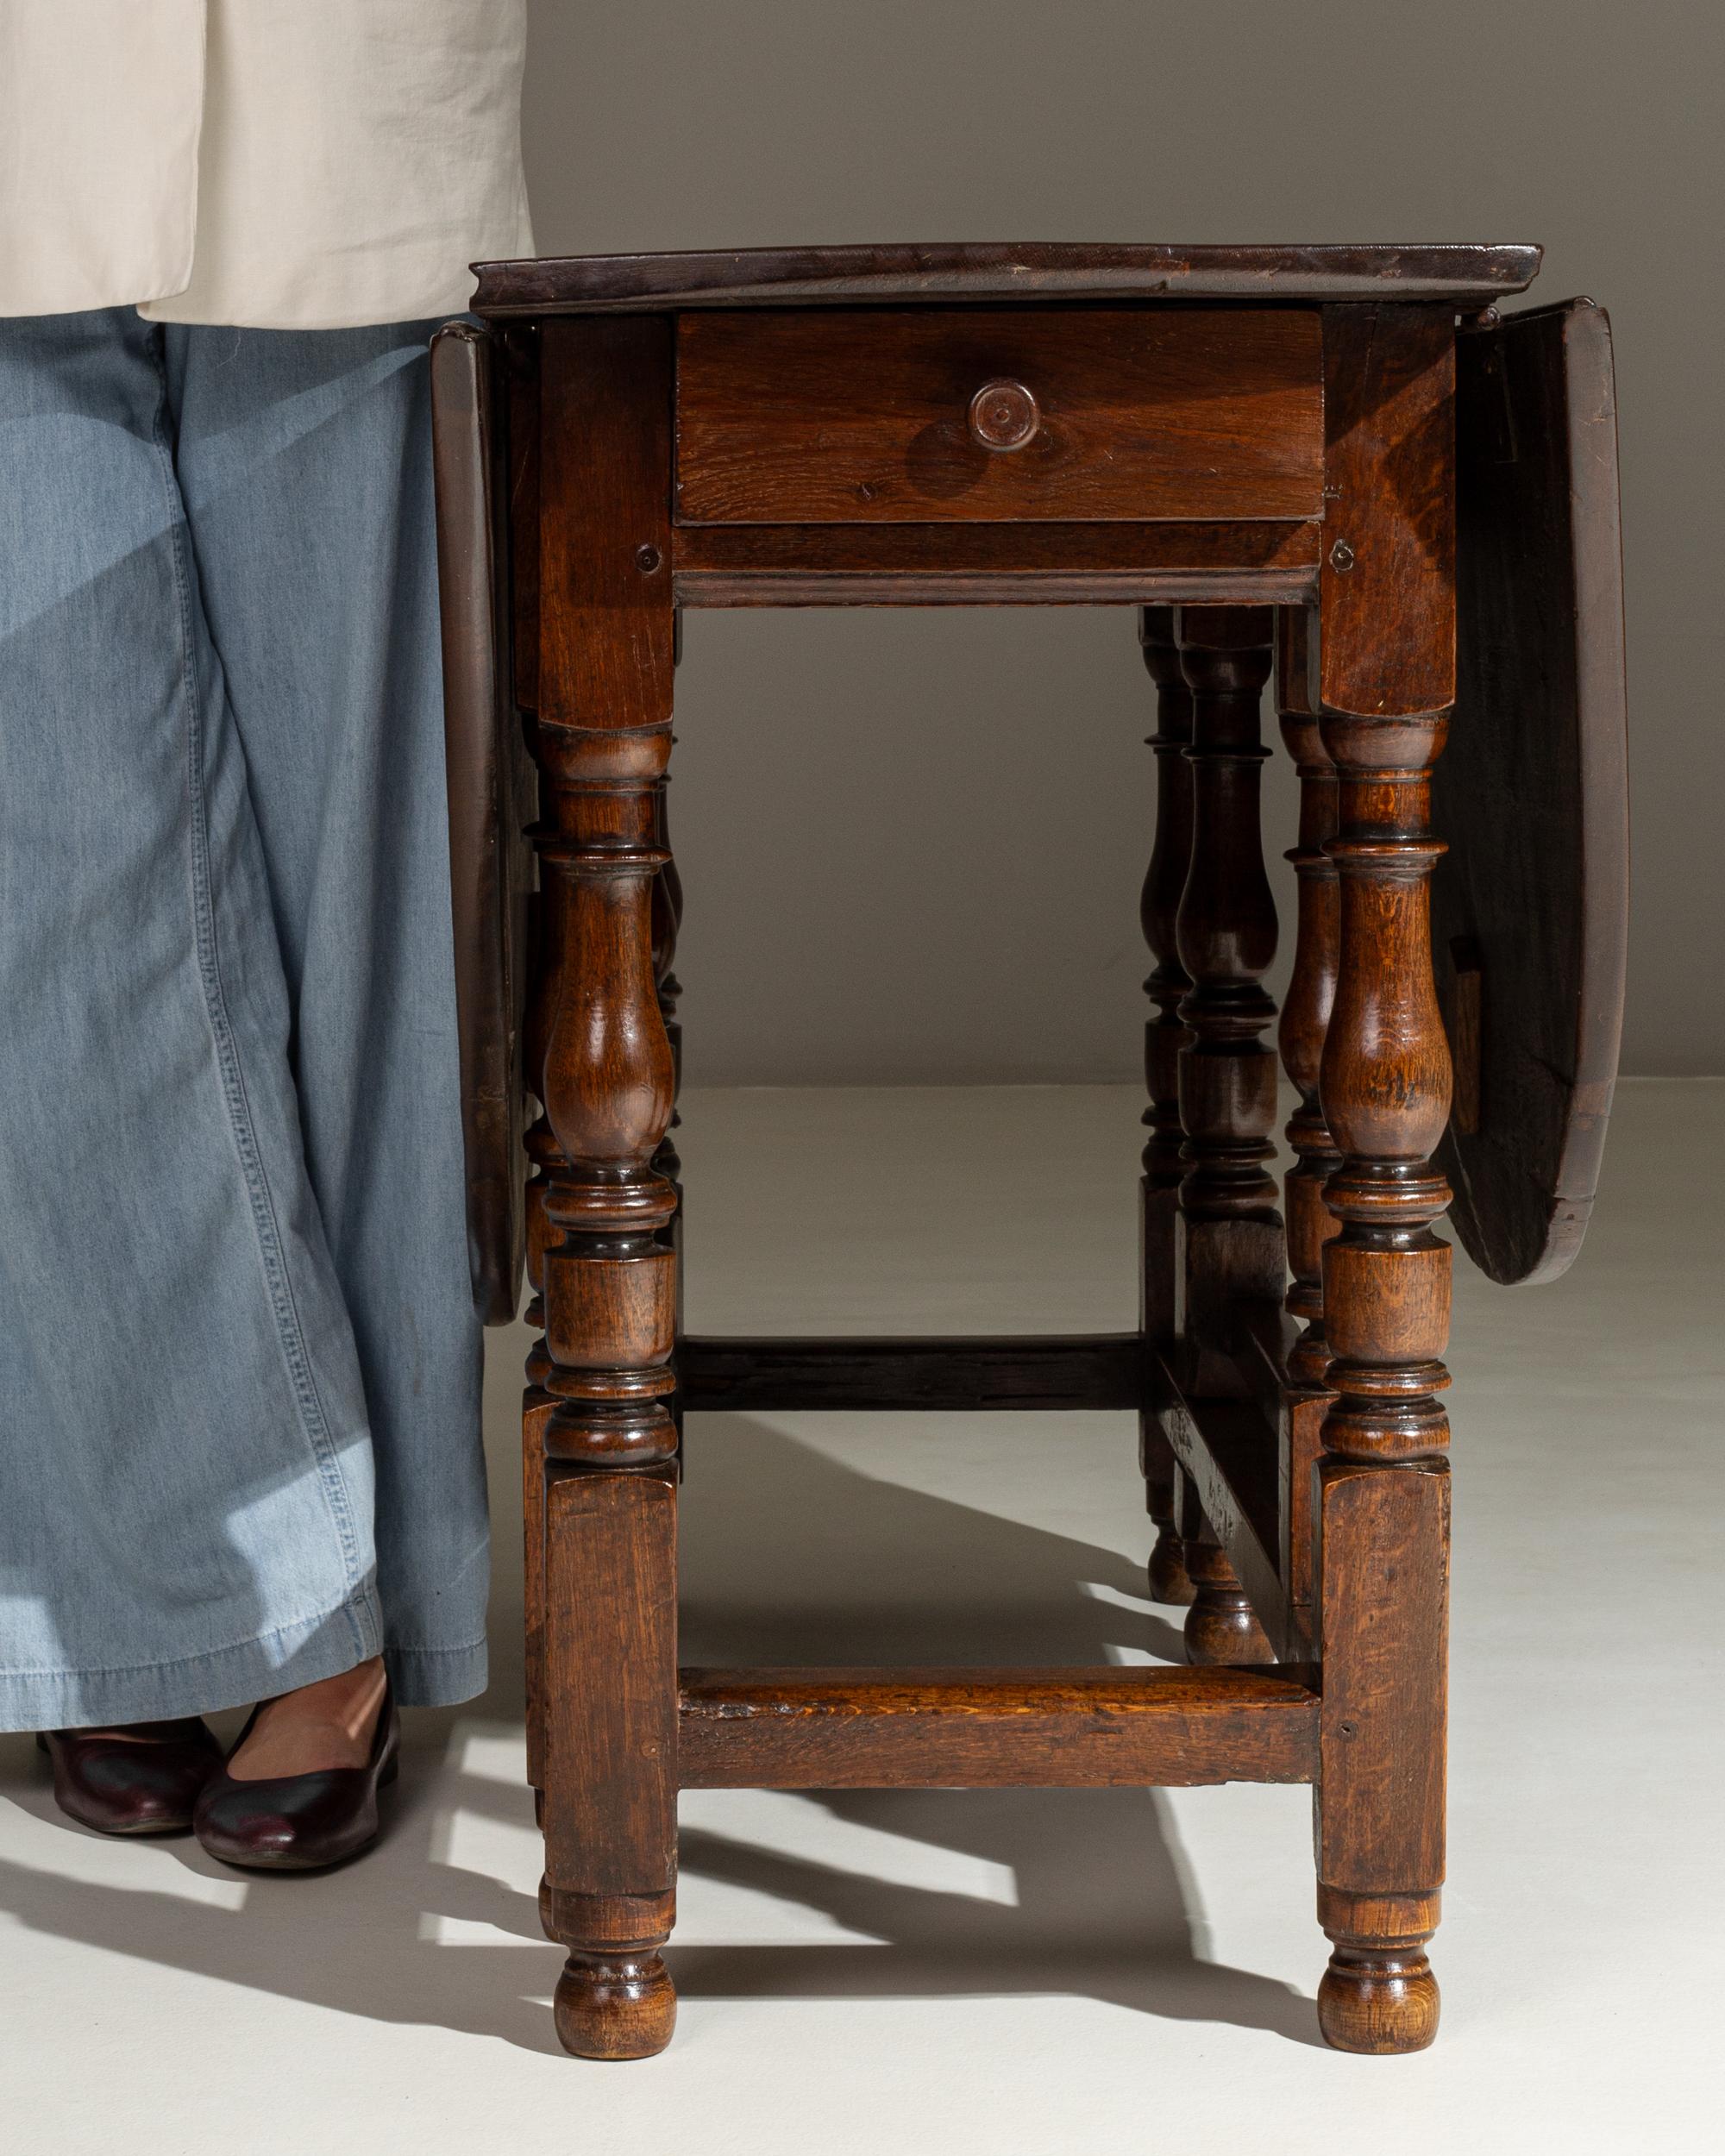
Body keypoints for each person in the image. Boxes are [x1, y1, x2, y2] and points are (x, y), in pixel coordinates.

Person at [0, 0, 532, 1868]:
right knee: (49, 889)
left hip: (336, 94)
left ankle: (362, 1603)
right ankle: (161, 1549)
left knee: (358, 894)